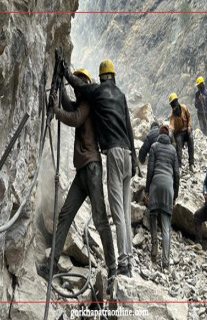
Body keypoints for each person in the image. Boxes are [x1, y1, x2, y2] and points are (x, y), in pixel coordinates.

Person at [37, 69, 116, 288]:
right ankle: (51, 265)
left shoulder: (88, 105)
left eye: (81, 81)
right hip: (83, 172)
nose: (78, 84)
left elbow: (73, 117)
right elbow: (69, 104)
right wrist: (61, 83)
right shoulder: (82, 104)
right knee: (65, 216)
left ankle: (113, 269)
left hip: (91, 169)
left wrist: (55, 109)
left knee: (100, 220)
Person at [64, 59, 137, 277]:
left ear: (101, 76)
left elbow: (80, 87)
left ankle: (123, 263)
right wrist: (134, 162)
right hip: (127, 153)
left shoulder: (97, 91)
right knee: (125, 209)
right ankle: (129, 260)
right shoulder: (121, 95)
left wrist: (65, 73)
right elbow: (130, 128)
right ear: (114, 76)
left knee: (117, 211)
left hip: (113, 152)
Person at [144, 125, 179, 270]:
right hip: (167, 189)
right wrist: (175, 195)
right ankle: (165, 262)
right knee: (166, 226)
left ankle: (154, 248)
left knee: (152, 215)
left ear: (159, 135)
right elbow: (177, 174)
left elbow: (150, 170)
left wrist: (147, 190)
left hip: (156, 185)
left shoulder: (154, 146)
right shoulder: (173, 150)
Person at [168, 93, 194, 171]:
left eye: (175, 106)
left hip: (187, 130)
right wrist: (170, 131)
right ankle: (179, 165)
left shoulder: (184, 108)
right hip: (179, 133)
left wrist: (189, 126)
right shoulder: (173, 116)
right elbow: (171, 125)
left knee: (191, 139)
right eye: (173, 107)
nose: (175, 109)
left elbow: (189, 117)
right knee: (178, 143)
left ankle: (191, 163)